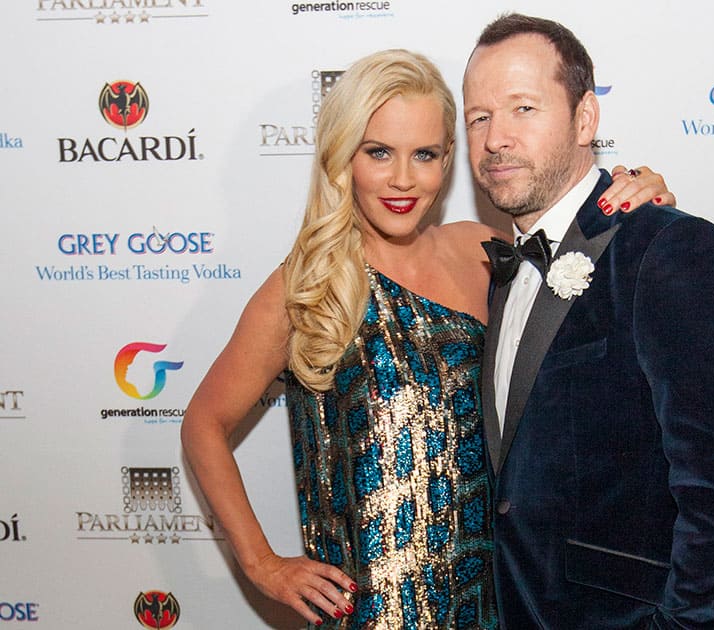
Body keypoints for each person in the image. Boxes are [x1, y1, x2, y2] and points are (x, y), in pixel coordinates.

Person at [180, 49, 673, 629]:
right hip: (374, 610)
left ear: (448, 162)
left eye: (426, 155)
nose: (403, 179)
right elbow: (203, 424)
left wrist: (636, 197)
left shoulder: (484, 249)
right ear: (343, 157)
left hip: (502, 598)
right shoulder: (308, 285)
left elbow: (589, 273)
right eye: (379, 152)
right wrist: (262, 564)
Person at [464, 14, 714, 629]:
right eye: (479, 117)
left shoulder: (669, 251)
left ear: (585, 119)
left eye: (523, 108)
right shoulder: (497, 267)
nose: (496, 136)